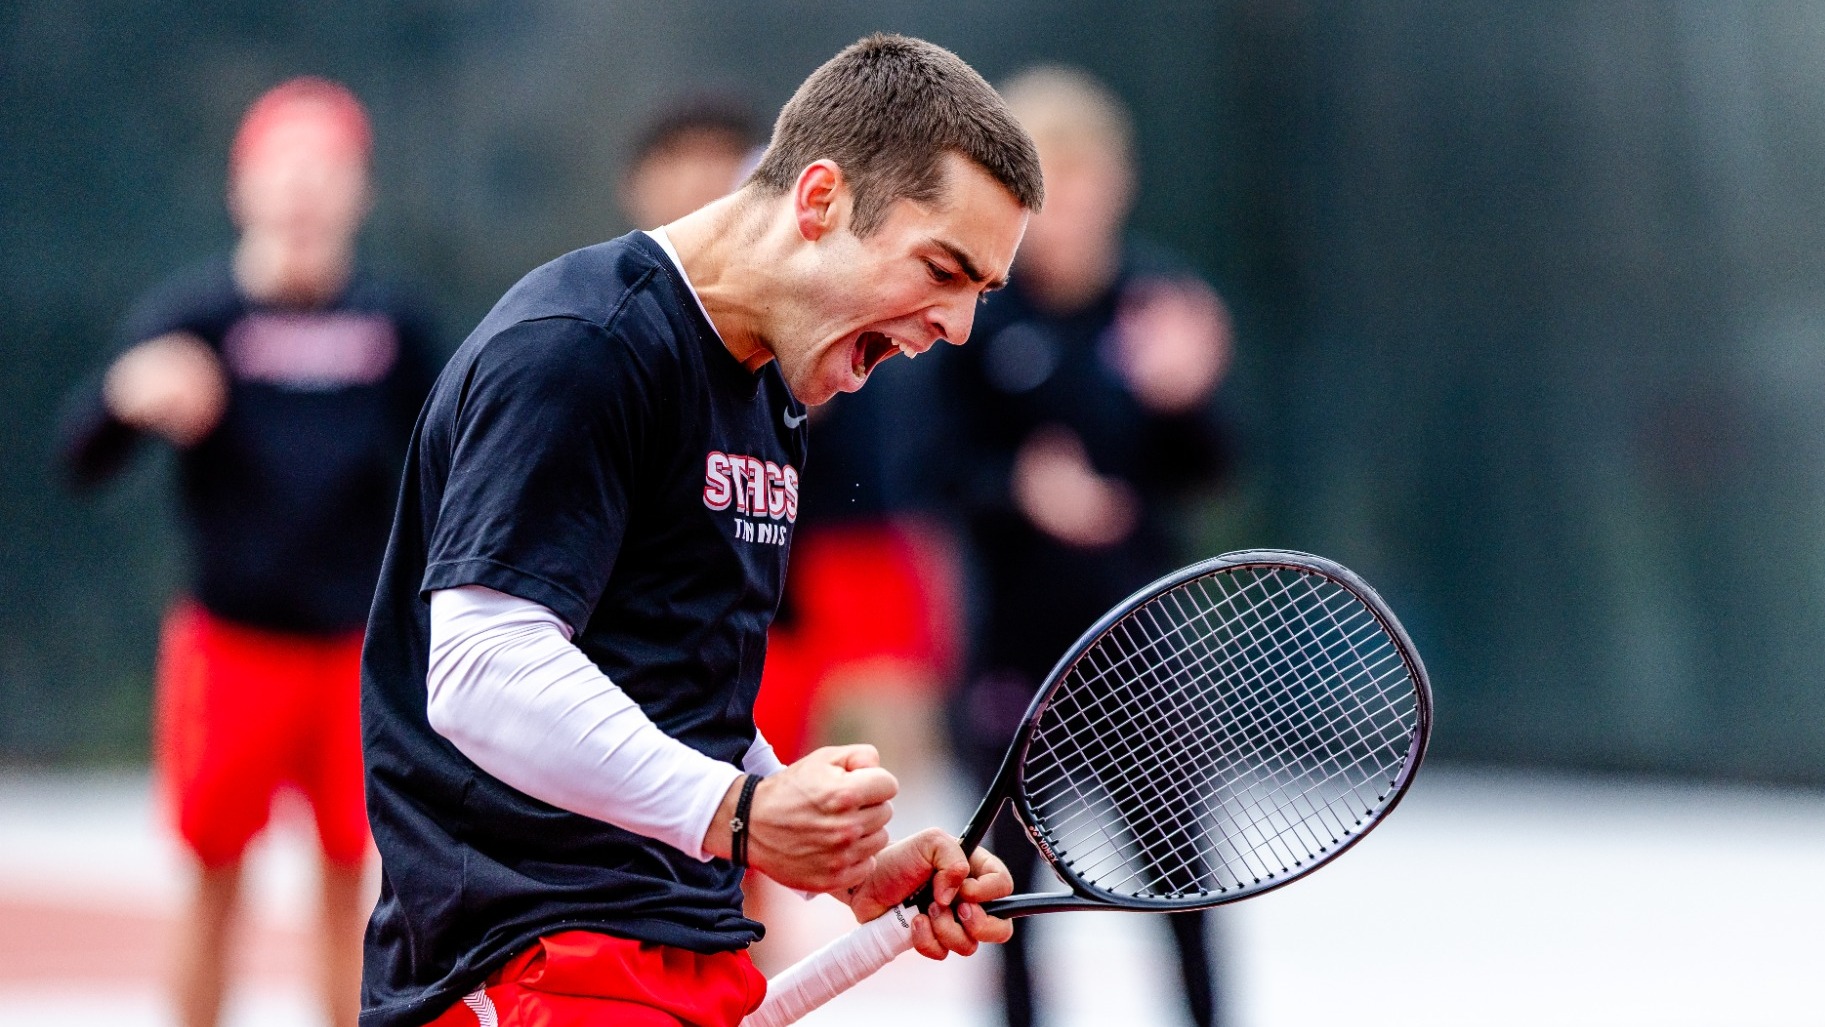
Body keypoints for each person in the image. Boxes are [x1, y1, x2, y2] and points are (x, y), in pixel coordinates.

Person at [359, 34, 1044, 1027]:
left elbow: (670, 693)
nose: (958, 328)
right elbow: (483, 669)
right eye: (944, 268)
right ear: (820, 202)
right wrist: (744, 816)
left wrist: (844, 864)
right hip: (536, 960)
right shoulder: (579, 350)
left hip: (670, 947)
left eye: (980, 293)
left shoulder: (769, 392)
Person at [57, 78, 440, 1027]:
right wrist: (126, 393)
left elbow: (461, 455)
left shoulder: (395, 327)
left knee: (358, 887)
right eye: (285, 172)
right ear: (243, 188)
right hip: (230, 646)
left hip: (358, 655)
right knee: (212, 877)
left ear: (361, 191)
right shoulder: (197, 318)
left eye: (327, 173)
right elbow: (81, 454)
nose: (305, 193)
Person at [932, 66, 1237, 1027]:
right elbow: (927, 467)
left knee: (1183, 890)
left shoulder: (1158, 301)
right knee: (1004, 902)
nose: (1069, 210)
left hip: (1142, 655)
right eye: (1045, 187)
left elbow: (1213, 471)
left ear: (1118, 183)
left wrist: (1185, 397)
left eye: (1085, 179)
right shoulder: (977, 306)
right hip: (1016, 653)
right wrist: (1020, 488)